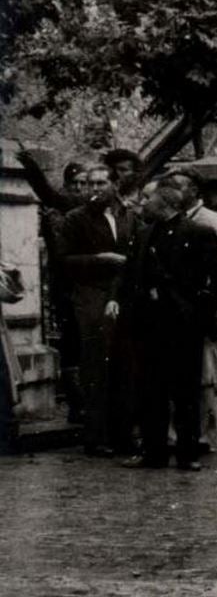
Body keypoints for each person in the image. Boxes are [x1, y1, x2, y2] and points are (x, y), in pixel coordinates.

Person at [117, 178, 217, 471]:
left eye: (149, 200)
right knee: (150, 391)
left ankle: (187, 453)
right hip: (148, 325)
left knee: (185, 393)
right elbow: (131, 276)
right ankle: (153, 452)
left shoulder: (198, 232)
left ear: (164, 203)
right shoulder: (143, 235)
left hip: (182, 326)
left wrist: (201, 310)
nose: (143, 204)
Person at [59, 164, 136, 455]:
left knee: (125, 367)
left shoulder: (128, 216)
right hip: (91, 295)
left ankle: (124, 434)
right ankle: (96, 436)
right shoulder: (75, 219)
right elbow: (64, 261)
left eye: (101, 183)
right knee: (96, 366)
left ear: (115, 185)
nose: (94, 189)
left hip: (124, 296)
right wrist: (100, 259)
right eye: (90, 184)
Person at [15, 150, 88, 421]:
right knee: (71, 342)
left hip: (92, 285)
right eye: (75, 184)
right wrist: (30, 166)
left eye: (84, 183)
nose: (80, 189)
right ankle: (77, 404)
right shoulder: (58, 209)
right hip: (66, 284)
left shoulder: (97, 208)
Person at [166, 168, 217, 454]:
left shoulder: (216, 222)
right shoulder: (167, 222)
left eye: (180, 186)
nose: (174, 192)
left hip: (204, 308)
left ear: (195, 190)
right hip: (174, 309)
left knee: (204, 375)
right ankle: (175, 432)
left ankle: (205, 433)